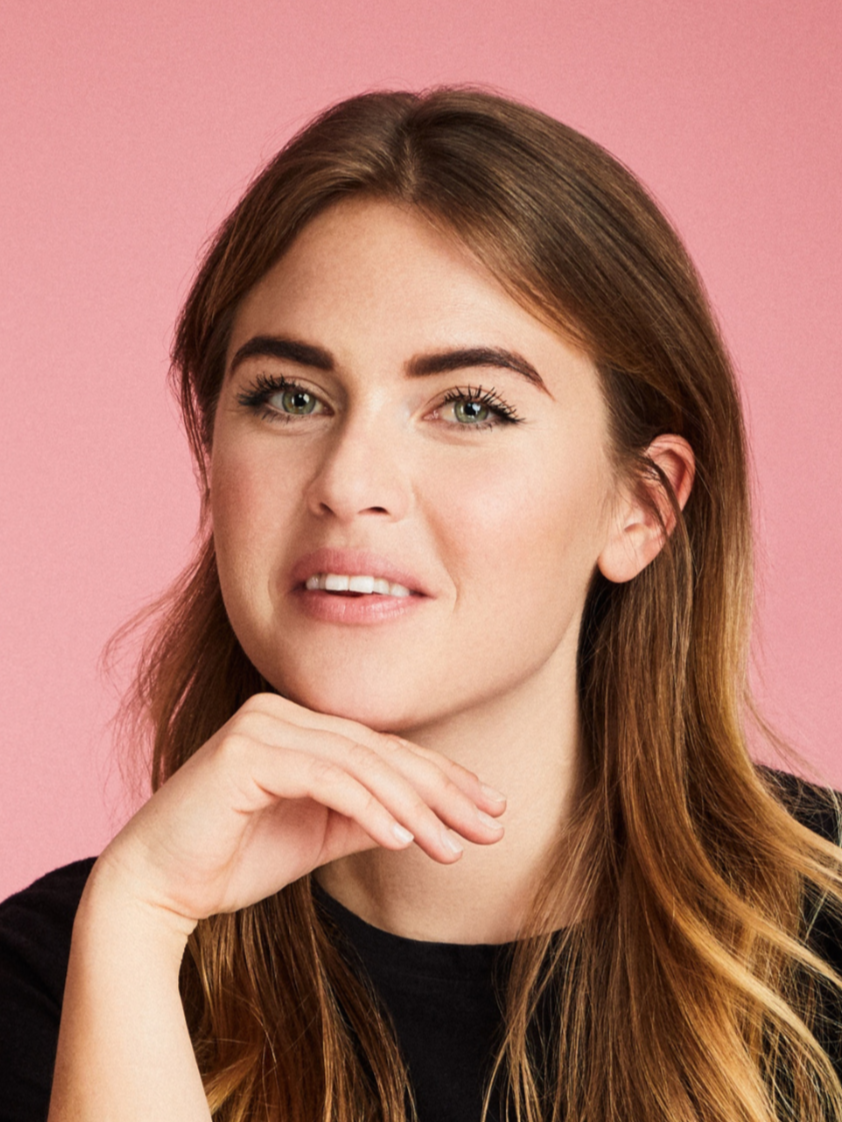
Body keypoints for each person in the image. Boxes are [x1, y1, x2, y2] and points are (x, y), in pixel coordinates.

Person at [1, 87, 841, 1122]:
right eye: (288, 396)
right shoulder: (71, 967)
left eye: (469, 406)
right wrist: (135, 926)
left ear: (640, 506)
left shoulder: (827, 942)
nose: (349, 479)